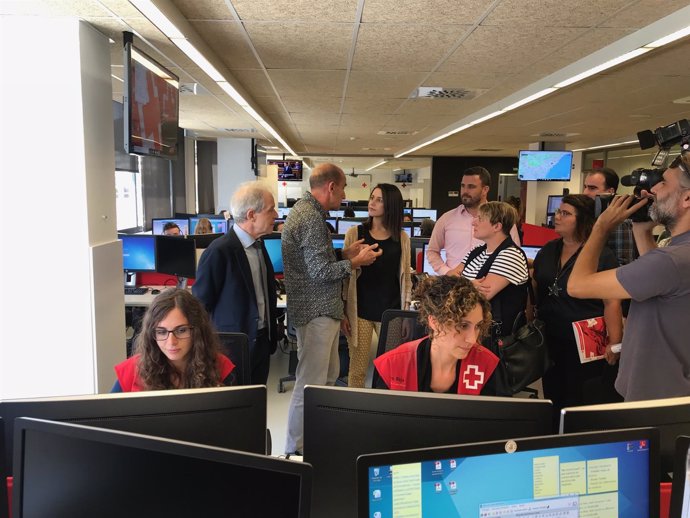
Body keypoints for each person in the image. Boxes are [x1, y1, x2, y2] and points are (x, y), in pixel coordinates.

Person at [569, 153, 690, 401]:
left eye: (664, 183)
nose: (653, 190)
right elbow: (659, 287)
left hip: (656, 398)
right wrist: (642, 230)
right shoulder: (677, 254)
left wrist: (601, 227)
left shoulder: (671, 260)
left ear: (687, 198)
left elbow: (577, 285)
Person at [282, 163, 382, 455]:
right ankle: (296, 447)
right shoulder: (312, 218)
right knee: (310, 384)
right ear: (331, 187)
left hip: (316, 310)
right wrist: (354, 263)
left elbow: (311, 261)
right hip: (316, 312)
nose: (345, 194)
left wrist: (342, 253)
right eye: (344, 188)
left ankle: (315, 438)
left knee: (325, 379)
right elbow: (320, 272)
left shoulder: (304, 211)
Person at [532, 194, 622, 419]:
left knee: (580, 399)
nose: (557, 217)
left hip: (586, 342)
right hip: (551, 338)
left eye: (565, 213)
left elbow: (611, 300)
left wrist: (615, 341)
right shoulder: (548, 250)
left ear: (582, 220)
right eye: (558, 212)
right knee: (553, 395)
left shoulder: (601, 255)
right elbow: (537, 286)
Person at [193, 182, 279, 385]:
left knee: (257, 402)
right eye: (270, 209)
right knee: (236, 408)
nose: (276, 214)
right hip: (231, 349)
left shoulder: (259, 244)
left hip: (262, 342)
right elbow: (200, 307)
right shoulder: (219, 251)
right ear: (251, 215)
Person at [373, 276, 499, 395]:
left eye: (477, 326)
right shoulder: (394, 364)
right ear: (434, 321)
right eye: (463, 326)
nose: (472, 339)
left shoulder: (488, 366)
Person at [342, 183, 412, 388]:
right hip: (360, 312)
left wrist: (406, 314)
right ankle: (355, 413)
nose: (372, 202)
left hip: (391, 312)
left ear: (390, 205)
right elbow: (345, 276)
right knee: (357, 371)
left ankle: (384, 411)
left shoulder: (402, 238)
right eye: (372, 197)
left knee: (391, 370)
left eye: (379, 199)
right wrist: (343, 312)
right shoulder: (355, 234)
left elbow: (405, 277)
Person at [112, 289, 235, 392]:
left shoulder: (220, 366)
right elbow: (106, 418)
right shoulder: (131, 370)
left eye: (181, 330)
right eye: (161, 332)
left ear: (197, 331)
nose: (171, 342)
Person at [457, 202, 529, 354]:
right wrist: (470, 284)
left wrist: (461, 285)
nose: (473, 222)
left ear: (497, 226)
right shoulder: (477, 252)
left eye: (480, 219)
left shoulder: (510, 255)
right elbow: (451, 277)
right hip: (472, 334)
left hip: (495, 341)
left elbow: (480, 296)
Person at [427, 166, 520, 275]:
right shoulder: (446, 219)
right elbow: (432, 251)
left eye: (471, 187)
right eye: (463, 186)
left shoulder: (501, 219)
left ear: (485, 189)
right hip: (454, 285)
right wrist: (447, 272)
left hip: (489, 284)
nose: (465, 191)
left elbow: (514, 253)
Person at [582, 167, 637, 267]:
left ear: (610, 191)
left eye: (592, 188)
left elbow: (623, 266)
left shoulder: (618, 220)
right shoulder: (592, 214)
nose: (585, 192)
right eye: (585, 187)